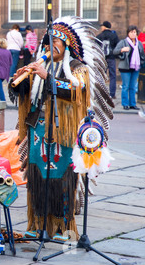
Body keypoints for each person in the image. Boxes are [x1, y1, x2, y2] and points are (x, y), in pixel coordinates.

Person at [9, 16, 113, 241]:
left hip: (63, 133)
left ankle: (63, 228)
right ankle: (37, 224)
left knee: (62, 179)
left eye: (56, 40)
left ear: (67, 45)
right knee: (36, 178)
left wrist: (48, 78)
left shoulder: (78, 68)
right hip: (38, 132)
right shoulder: (41, 65)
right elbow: (28, 98)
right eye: (47, 41)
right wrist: (19, 82)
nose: (50, 45)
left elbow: (76, 90)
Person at [113, 25, 145, 110]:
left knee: (133, 87)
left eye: (134, 32)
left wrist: (141, 63)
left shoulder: (139, 43)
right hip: (125, 68)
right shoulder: (123, 42)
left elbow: (142, 54)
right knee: (125, 86)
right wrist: (122, 50)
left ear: (137, 34)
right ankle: (125, 104)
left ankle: (132, 104)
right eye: (131, 32)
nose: (133, 34)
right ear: (128, 33)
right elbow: (115, 51)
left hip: (136, 68)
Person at [96, 21, 119, 99]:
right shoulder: (114, 36)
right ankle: (112, 94)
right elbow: (117, 46)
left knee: (102, 75)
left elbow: (95, 47)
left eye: (102, 26)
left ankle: (102, 93)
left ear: (104, 27)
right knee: (112, 76)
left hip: (102, 59)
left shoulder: (99, 36)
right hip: (111, 58)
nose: (101, 27)